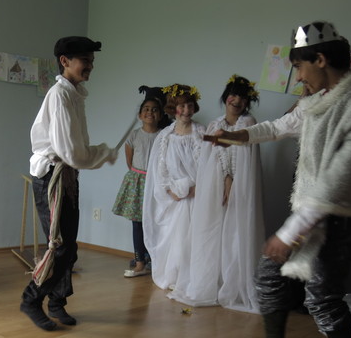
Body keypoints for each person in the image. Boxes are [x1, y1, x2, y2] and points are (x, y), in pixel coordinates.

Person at [215, 21, 351, 338]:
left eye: (299, 67)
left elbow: (336, 183)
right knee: (270, 274)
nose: (298, 77)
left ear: (320, 59)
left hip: (345, 215)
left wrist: (288, 233)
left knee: (322, 295)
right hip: (313, 211)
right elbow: (283, 125)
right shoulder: (319, 100)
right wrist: (238, 136)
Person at [19, 36, 117, 331]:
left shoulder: (74, 95)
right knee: (59, 246)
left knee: (69, 247)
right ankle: (31, 300)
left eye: (92, 61)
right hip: (53, 176)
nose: (90, 66)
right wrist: (103, 153)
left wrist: (98, 153)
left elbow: (76, 151)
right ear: (65, 61)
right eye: (85, 60)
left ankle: (57, 302)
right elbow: (71, 152)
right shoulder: (59, 95)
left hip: (66, 176)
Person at [168, 75, 264, 311]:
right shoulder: (213, 125)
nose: (237, 100)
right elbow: (208, 160)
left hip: (241, 188)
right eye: (233, 95)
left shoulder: (248, 124)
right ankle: (212, 281)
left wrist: (232, 180)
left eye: (243, 97)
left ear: (248, 102)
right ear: (226, 97)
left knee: (234, 233)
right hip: (215, 188)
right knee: (212, 231)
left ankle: (233, 284)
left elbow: (243, 158)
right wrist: (222, 181)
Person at [143, 83, 206, 293]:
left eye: (190, 105)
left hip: (198, 195)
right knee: (177, 240)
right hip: (176, 197)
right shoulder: (166, 136)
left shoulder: (201, 133)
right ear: (173, 108)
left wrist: (198, 188)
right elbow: (160, 168)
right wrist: (170, 190)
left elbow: (209, 164)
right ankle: (178, 275)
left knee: (197, 239)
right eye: (182, 106)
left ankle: (195, 277)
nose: (186, 110)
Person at [112, 87, 164, 277]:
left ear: (161, 115)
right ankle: (140, 261)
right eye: (146, 109)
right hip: (137, 183)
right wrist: (140, 176)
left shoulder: (163, 135)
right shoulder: (133, 135)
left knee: (156, 222)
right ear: (140, 114)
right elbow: (130, 161)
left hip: (156, 182)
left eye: (154, 110)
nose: (150, 112)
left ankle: (155, 260)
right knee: (137, 223)